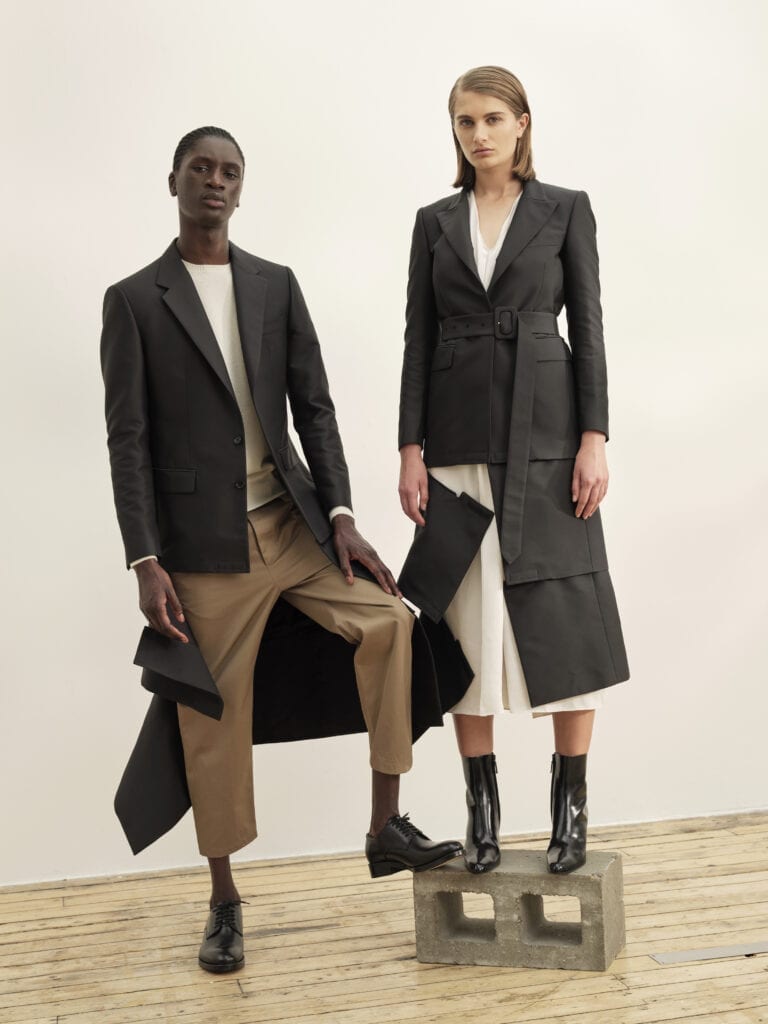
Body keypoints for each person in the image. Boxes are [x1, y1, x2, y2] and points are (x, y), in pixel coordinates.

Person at [101, 126, 462, 975]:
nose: (215, 182)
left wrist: (340, 512)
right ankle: (224, 900)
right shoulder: (135, 299)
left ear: (241, 187)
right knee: (210, 713)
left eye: (230, 172)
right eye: (201, 169)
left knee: (390, 624)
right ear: (173, 181)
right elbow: (127, 440)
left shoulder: (275, 284)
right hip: (203, 549)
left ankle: (384, 826)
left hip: (294, 527)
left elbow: (316, 406)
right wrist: (145, 559)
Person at [397, 67, 630, 876]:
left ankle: (572, 808)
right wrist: (410, 448)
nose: (479, 134)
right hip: (457, 443)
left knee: (564, 619)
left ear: (522, 123)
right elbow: (418, 341)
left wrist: (594, 436)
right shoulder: (434, 222)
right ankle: (482, 811)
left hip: (548, 438)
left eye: (493, 118)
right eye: (465, 121)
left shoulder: (565, 209)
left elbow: (589, 328)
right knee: (466, 625)